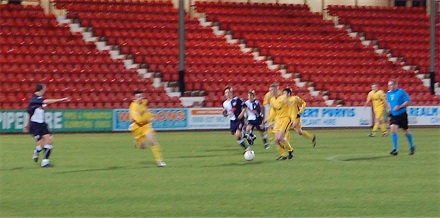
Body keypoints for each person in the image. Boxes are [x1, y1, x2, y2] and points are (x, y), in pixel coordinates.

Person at [23, 83, 70, 167]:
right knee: (41, 146)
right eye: (45, 88)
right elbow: (29, 112)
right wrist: (61, 100)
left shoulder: (39, 98)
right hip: (35, 125)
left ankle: (45, 162)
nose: (46, 89)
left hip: (42, 124)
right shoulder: (34, 99)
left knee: (49, 140)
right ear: (41, 89)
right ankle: (36, 151)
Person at [129, 90, 166, 167]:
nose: (140, 98)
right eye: (138, 97)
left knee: (152, 142)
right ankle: (138, 141)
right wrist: (148, 118)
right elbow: (138, 120)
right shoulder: (133, 106)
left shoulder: (144, 103)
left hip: (146, 126)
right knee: (142, 147)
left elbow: (146, 112)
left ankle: (159, 161)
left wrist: (150, 116)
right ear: (134, 98)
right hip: (137, 127)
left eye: (141, 96)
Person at [385, 79, 415, 156]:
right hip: (394, 115)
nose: (389, 86)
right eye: (388, 85)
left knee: (405, 131)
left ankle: (412, 146)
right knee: (393, 129)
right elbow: (387, 103)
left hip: (402, 114)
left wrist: (400, 106)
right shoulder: (388, 94)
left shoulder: (401, 92)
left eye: (391, 85)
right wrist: (388, 111)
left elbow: (408, 102)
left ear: (396, 85)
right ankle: (395, 149)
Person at [266, 86, 294, 160]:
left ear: (276, 90)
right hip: (278, 120)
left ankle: (290, 150)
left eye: (272, 90)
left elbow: (291, 102)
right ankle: (283, 155)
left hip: (286, 119)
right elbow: (273, 113)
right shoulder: (272, 100)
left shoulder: (283, 98)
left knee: (280, 138)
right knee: (276, 140)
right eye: (270, 91)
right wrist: (267, 119)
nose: (270, 92)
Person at [222, 86, 250, 151]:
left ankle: (247, 149)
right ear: (224, 94)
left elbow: (245, 106)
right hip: (232, 121)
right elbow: (226, 115)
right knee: (238, 137)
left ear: (231, 93)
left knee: (238, 135)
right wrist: (224, 113)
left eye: (229, 92)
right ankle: (246, 136)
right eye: (226, 92)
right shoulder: (224, 103)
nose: (227, 94)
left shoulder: (237, 99)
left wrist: (242, 113)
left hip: (239, 120)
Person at [262, 82, 280, 148]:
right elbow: (266, 104)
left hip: (278, 112)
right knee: (270, 125)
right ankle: (271, 139)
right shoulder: (268, 95)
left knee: (277, 126)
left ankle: (279, 138)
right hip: (270, 110)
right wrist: (270, 110)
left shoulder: (280, 93)